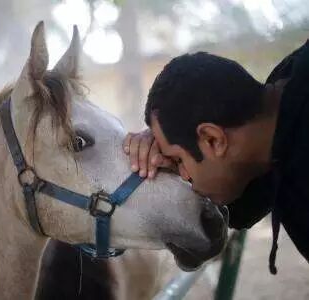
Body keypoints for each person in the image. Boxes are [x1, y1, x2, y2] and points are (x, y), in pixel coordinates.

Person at [123, 41, 309, 274]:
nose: (182, 175)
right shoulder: (280, 119)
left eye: (179, 161)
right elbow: (245, 206)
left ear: (213, 139)